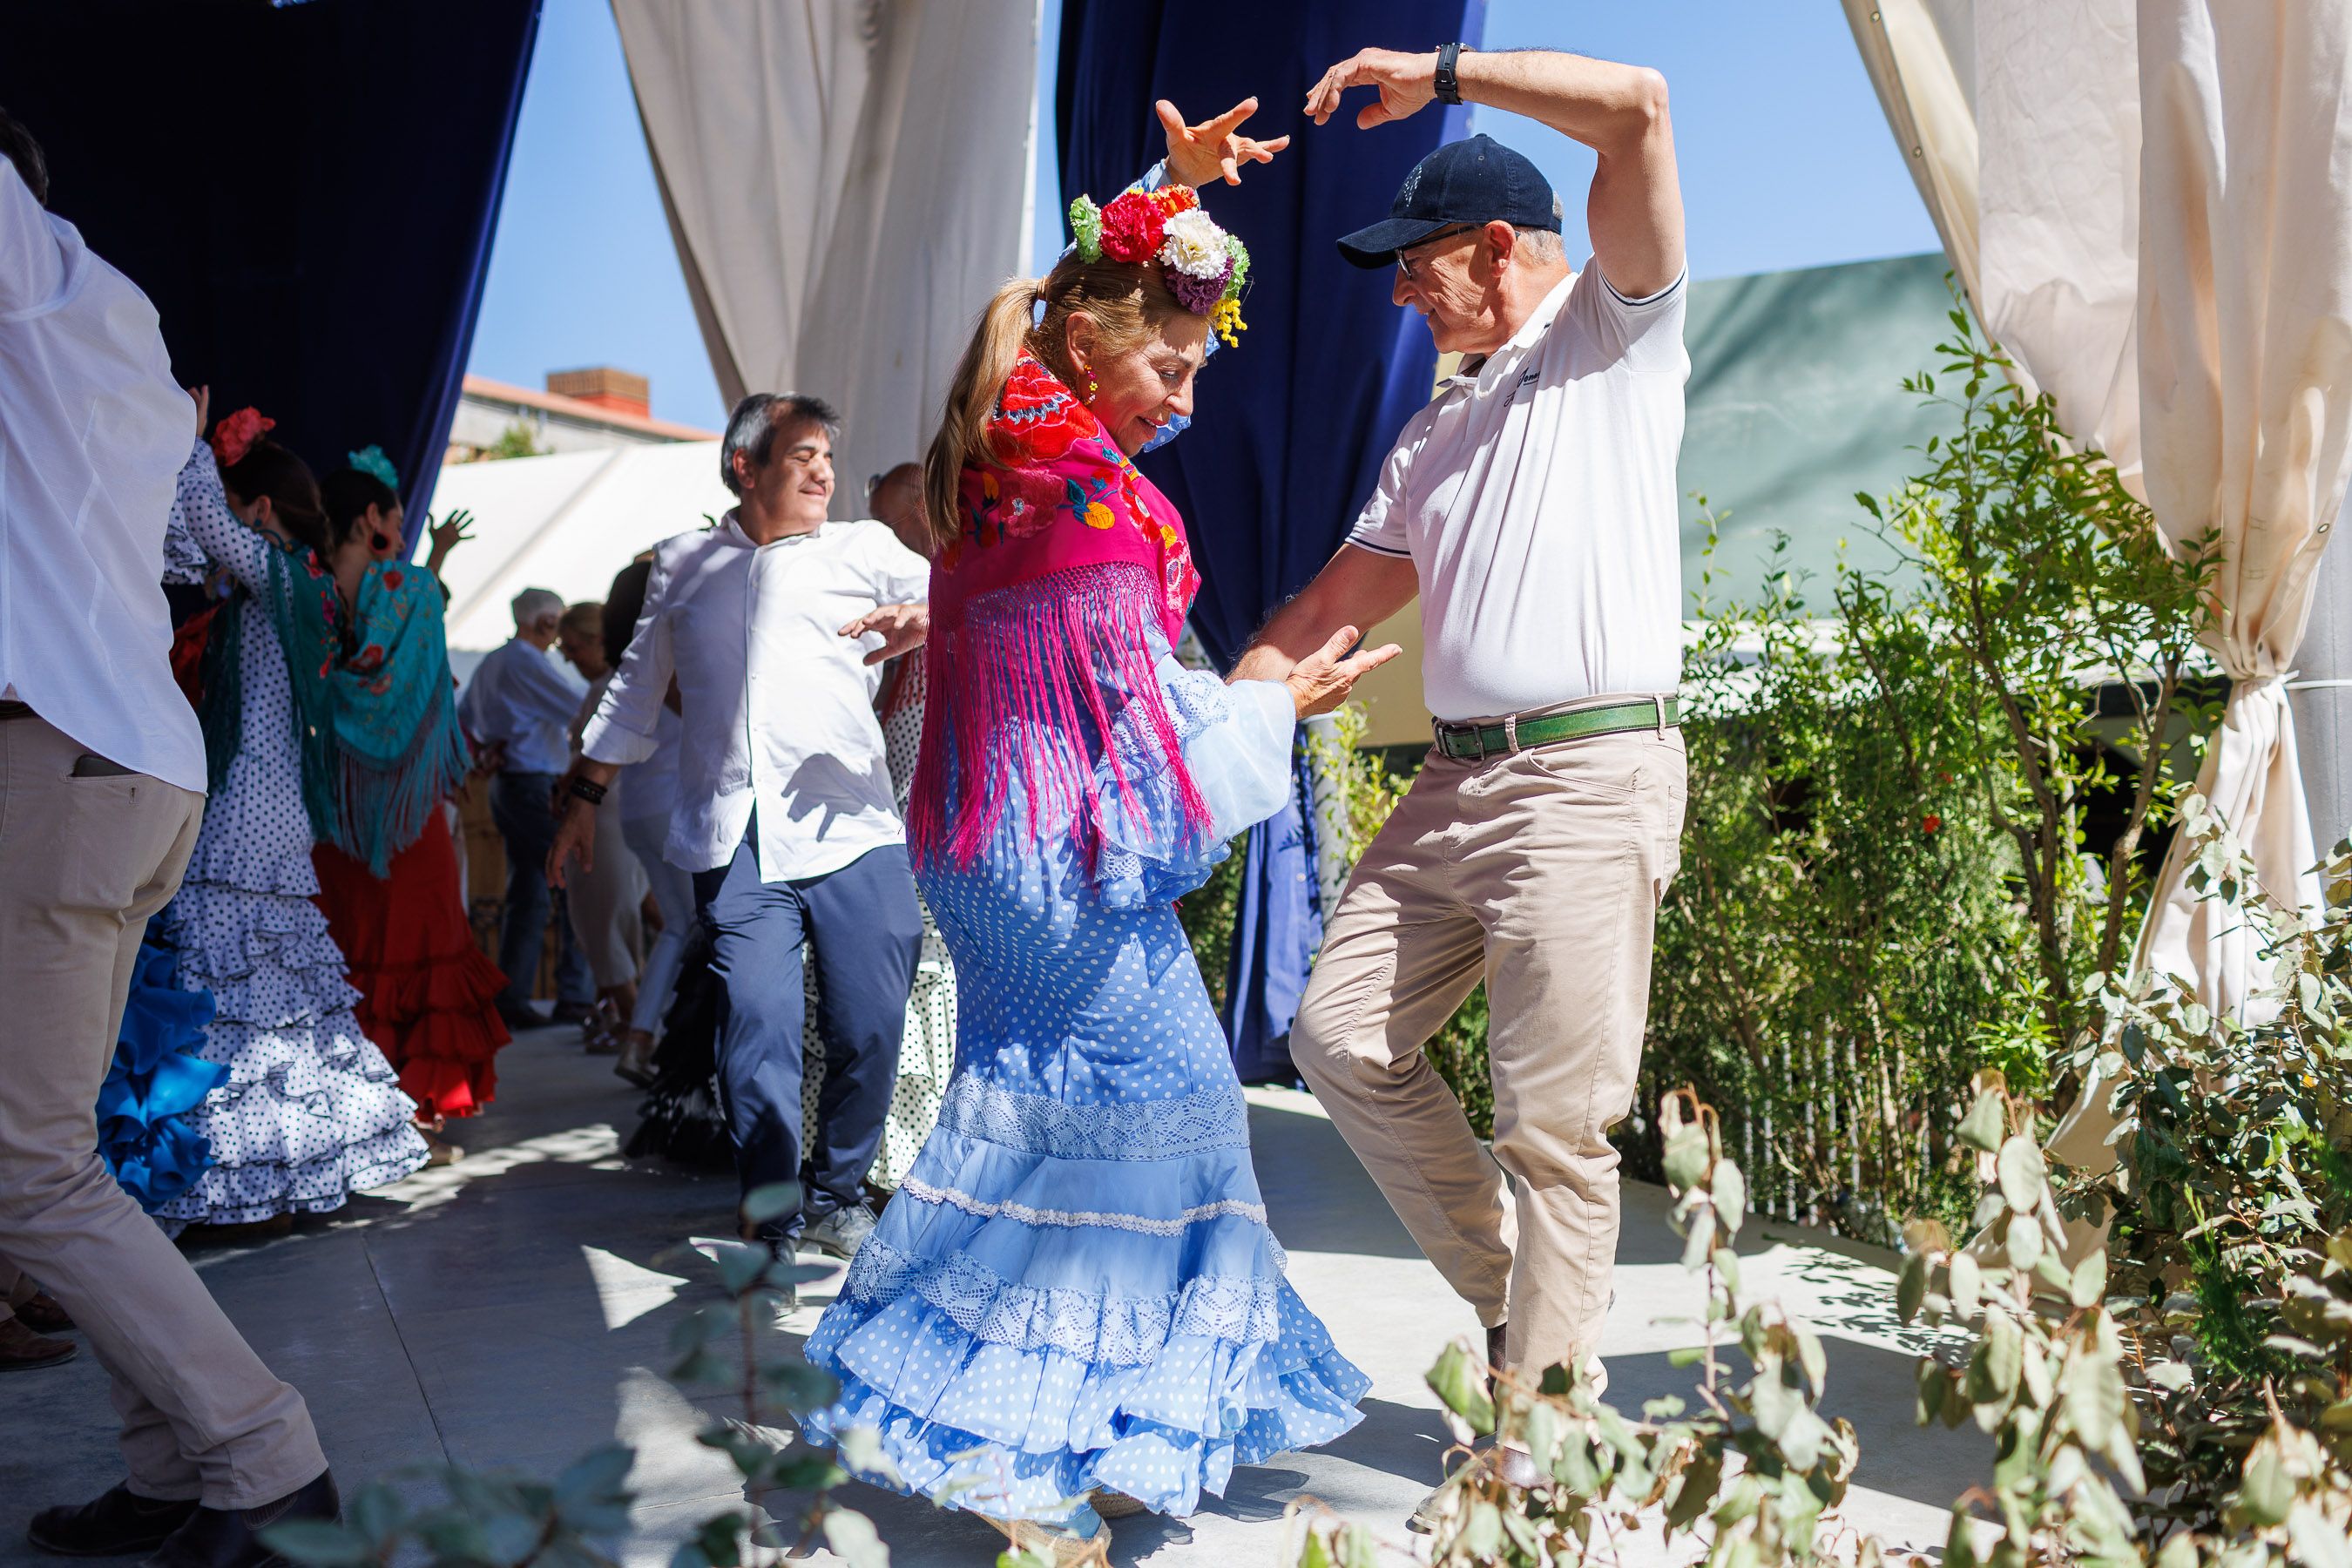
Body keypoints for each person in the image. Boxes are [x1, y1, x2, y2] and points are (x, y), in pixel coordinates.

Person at [798, 105, 1394, 1553]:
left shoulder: (1049, 475)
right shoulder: (1029, 437)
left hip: (1013, 842)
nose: (1178, 400)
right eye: (1166, 365)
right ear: (1078, 346)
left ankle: (1061, 1423)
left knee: (1043, 1118)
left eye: (1196, 370)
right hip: (1042, 854)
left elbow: (1129, 692)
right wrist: (1153, 201)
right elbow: (1135, 706)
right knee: (1162, 1128)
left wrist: (1264, 706)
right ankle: (1053, 1446)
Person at [1234, 45, 1689, 1425]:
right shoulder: (1430, 430)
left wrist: (1441, 75)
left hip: (1586, 773)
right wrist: (1214, 727)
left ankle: (1540, 1440)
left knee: (1556, 1130)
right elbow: (1325, 604)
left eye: (1413, 261)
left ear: (1495, 246)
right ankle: (1518, 1306)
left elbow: (1641, 109)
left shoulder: (1613, 331)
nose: (1399, 288)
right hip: (1453, 787)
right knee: (1338, 1038)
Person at [0, 111, 339, 1560]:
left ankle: (264, 1459)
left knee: (23, 1171)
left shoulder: (37, 277)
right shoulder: (109, 311)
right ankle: (171, 1460)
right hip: (120, 759)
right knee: (53, 1151)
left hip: (59, 760)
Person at [551, 393, 931, 1266]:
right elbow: (635, 693)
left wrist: (930, 615)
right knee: (753, 1031)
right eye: (802, 455)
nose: (825, 471)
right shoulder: (684, 565)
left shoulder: (864, 548)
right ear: (745, 467)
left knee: (870, 1024)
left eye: (828, 455)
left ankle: (837, 1194)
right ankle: (770, 1219)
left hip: (854, 828)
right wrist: (581, 801)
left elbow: (956, 603)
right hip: (734, 840)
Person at [150, 409, 432, 1234]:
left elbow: (202, 521)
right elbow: (193, 537)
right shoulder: (301, 586)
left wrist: (191, 442)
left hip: (244, 812)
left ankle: (224, 1178)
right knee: (270, 995)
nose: (229, 524)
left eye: (242, 508)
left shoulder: (280, 575)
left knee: (230, 992)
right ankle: (282, 1170)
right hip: (266, 813)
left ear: (261, 511)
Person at [308, 461, 511, 1149]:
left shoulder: (301, 588)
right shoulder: (413, 589)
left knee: (347, 948)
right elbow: (418, 651)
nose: (398, 527)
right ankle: (409, 1117)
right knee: (423, 946)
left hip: (331, 805)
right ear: (372, 519)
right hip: (404, 809)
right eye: (394, 517)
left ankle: (344, 1119)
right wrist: (437, 559)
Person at [459, 587, 594, 1032]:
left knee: (531, 890)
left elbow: (467, 719)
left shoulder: (496, 661)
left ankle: (515, 995)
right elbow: (580, 708)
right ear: (545, 624)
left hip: (510, 781)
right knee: (572, 878)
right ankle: (575, 993)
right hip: (535, 780)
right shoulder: (525, 662)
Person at [605, 558, 691, 1087]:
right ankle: (666, 1043)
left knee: (682, 926)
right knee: (703, 928)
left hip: (639, 805)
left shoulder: (628, 660)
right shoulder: (666, 657)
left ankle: (641, 1039)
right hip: (669, 806)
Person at [556, 598, 646, 1051]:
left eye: (572, 648)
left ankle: (638, 1031)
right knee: (615, 925)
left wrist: (569, 784)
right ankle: (630, 1021)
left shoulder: (615, 683)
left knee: (603, 926)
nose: (568, 658)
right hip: (612, 812)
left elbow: (596, 753)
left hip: (602, 814)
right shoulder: (608, 683)